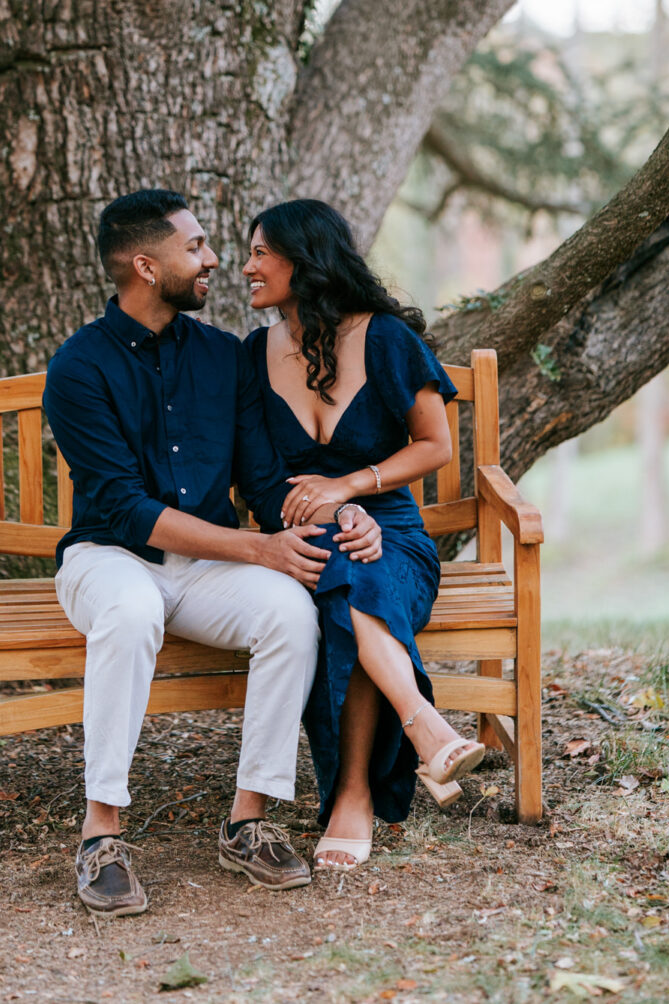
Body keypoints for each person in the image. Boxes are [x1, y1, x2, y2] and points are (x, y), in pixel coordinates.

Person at [44, 189, 381, 914]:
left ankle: (248, 820)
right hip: (108, 559)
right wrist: (256, 547)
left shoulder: (226, 357)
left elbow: (262, 477)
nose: (213, 259)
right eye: (195, 247)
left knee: (292, 612)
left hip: (206, 569)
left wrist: (337, 510)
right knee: (132, 611)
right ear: (144, 264)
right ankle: (101, 833)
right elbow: (124, 508)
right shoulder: (78, 367)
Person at [242, 199, 485, 871]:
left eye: (261, 252)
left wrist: (352, 492)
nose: (247, 267)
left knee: (364, 570)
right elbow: (259, 481)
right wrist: (327, 515)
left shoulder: (385, 339)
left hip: (394, 533)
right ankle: (424, 727)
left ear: (305, 257)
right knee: (345, 566)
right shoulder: (252, 357)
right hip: (298, 540)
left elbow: (436, 446)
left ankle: (353, 792)